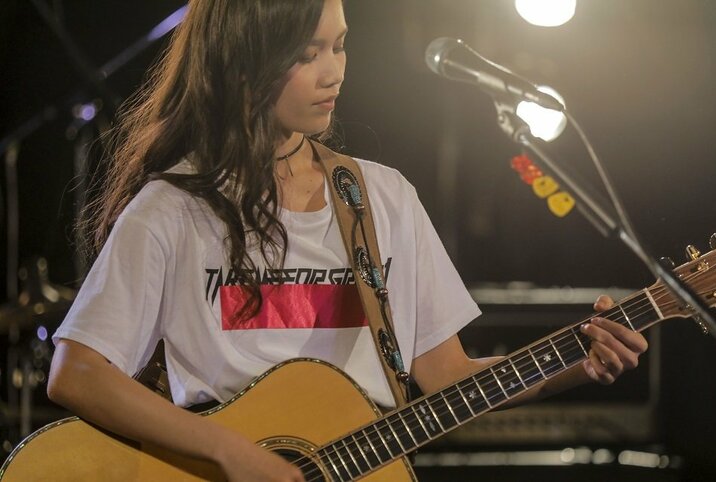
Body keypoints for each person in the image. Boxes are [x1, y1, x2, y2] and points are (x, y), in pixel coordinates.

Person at [47, 1, 649, 481]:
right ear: (243, 62)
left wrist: (575, 364)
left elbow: (447, 376)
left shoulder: (383, 199)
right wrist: (230, 452)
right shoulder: (174, 209)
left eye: (339, 45)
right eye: (307, 53)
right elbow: (76, 372)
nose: (334, 71)